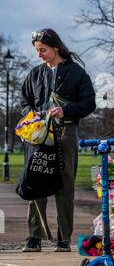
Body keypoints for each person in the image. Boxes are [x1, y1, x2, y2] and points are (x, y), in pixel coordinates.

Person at [20, 28, 96, 252]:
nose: (39, 55)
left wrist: (66, 110)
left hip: (66, 133)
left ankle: (63, 239)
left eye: (43, 50)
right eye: (37, 51)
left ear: (55, 47)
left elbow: (89, 103)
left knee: (64, 185)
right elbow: (24, 101)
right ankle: (34, 237)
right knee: (35, 181)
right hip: (38, 134)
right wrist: (31, 115)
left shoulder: (77, 73)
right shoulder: (34, 74)